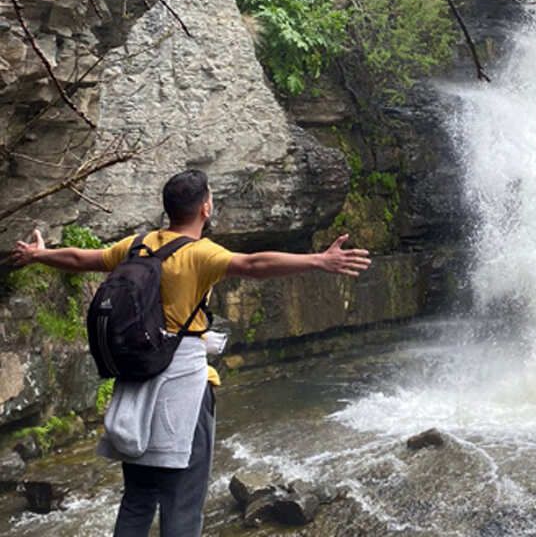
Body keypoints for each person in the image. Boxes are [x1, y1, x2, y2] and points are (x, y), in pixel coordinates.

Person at [11, 169, 372, 536]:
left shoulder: (138, 245)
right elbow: (253, 265)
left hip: (135, 381)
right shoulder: (200, 254)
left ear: (168, 209)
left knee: (137, 498)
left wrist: (39, 254)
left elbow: (82, 259)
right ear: (206, 208)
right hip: (182, 390)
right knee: (182, 503)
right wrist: (319, 261)